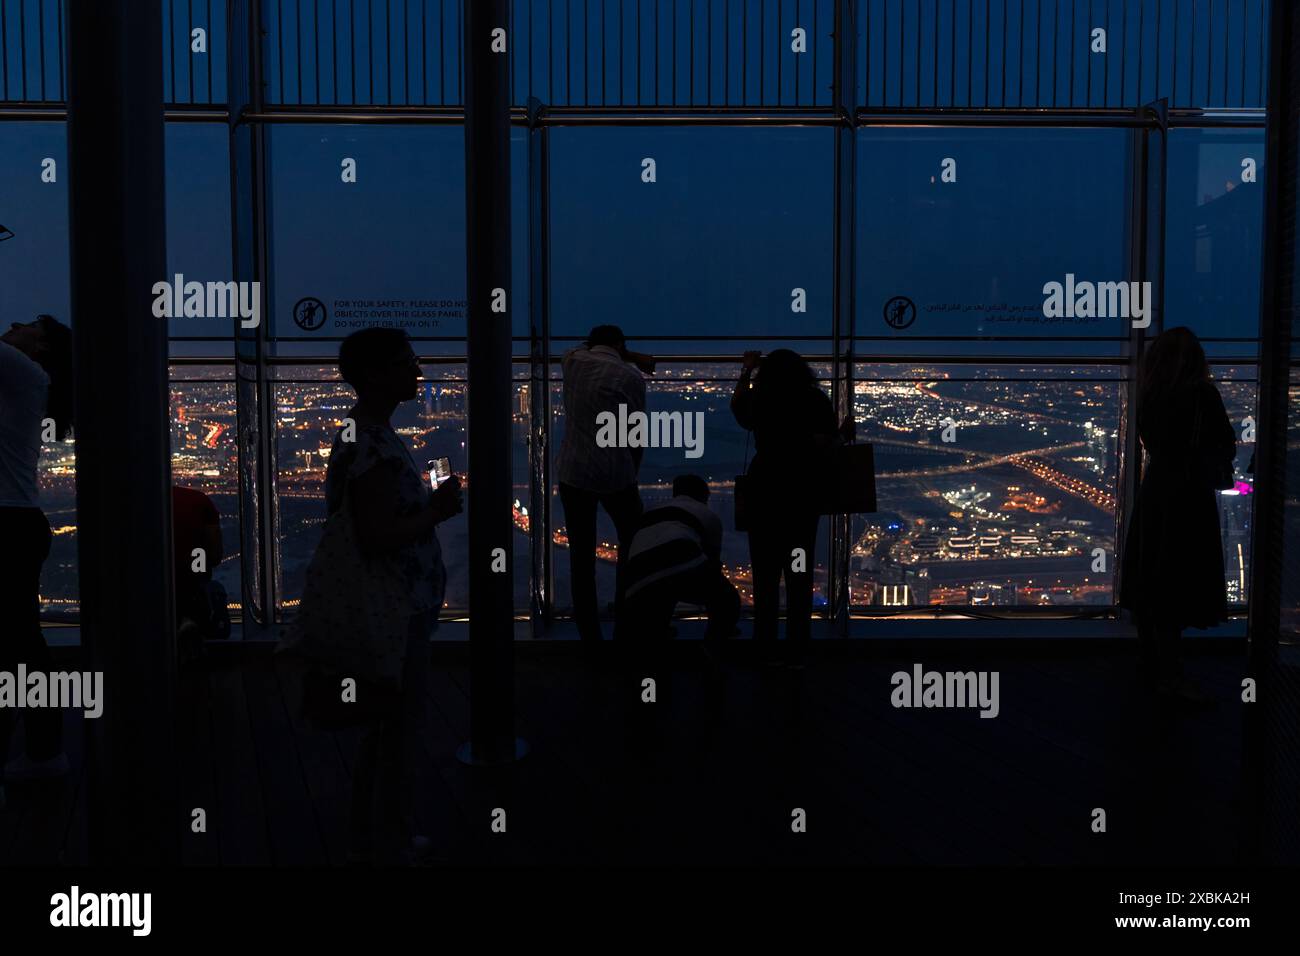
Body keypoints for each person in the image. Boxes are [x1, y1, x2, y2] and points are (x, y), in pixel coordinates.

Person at [313, 327, 462, 863]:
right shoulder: (373, 443)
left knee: (386, 722)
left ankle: (371, 828)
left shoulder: (363, 433)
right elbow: (377, 536)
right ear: (376, 374)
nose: (417, 372)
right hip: (397, 606)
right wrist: (437, 512)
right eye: (406, 362)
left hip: (393, 602)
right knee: (398, 725)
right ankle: (391, 837)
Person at [1120, 327, 1235, 703]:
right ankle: (1171, 679)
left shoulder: (1151, 395)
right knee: (1177, 578)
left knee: (1153, 574)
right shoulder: (1202, 395)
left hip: (1156, 491)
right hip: (1189, 496)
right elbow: (1225, 444)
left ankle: (1152, 667)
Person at [731, 349, 850, 668]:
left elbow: (738, 411)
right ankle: (798, 648)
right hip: (801, 495)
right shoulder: (815, 401)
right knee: (799, 574)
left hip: (763, 491)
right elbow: (827, 444)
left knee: (765, 575)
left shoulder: (761, 399)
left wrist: (746, 371)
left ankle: (764, 646)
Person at [0, 315, 75, 790]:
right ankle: (44, 750)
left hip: (7, 526)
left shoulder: (27, 374)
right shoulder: (23, 382)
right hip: (13, 525)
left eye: (27, 324)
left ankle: (43, 750)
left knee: (19, 644)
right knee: (21, 643)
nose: (13, 322)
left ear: (41, 344)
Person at [556, 325, 656, 645]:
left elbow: (579, 347)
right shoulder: (629, 378)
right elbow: (634, 433)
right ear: (620, 345)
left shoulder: (571, 362)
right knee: (634, 546)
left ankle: (590, 637)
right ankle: (627, 625)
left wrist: (624, 352)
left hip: (573, 473)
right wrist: (632, 471)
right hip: (615, 473)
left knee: (581, 559)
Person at [616, 474, 741, 657]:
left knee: (663, 586)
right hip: (681, 556)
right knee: (728, 600)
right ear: (703, 496)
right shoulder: (708, 515)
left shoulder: (651, 512)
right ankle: (712, 648)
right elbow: (712, 564)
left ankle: (659, 634)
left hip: (637, 577)